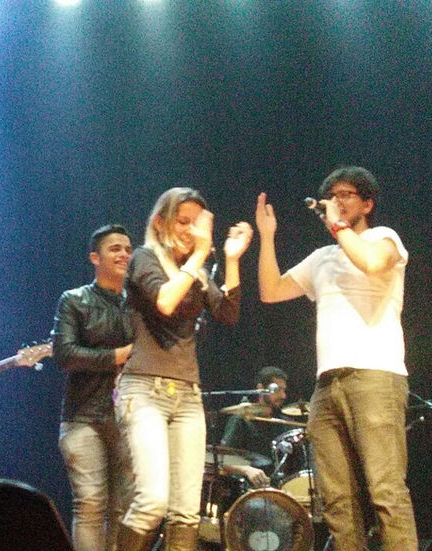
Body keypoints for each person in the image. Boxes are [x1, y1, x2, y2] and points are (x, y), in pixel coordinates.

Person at [256, 167, 418, 550]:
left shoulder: (383, 237)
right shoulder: (322, 257)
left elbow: (373, 263)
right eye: (332, 195)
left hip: (376, 376)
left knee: (385, 490)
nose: (337, 200)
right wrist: (267, 237)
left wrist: (339, 228)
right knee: (336, 500)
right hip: (326, 385)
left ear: (367, 203)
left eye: (346, 194)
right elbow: (271, 291)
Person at [115, 188, 252, 551]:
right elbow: (165, 301)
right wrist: (201, 256)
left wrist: (231, 258)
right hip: (143, 390)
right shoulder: (144, 259)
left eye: (197, 223)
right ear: (160, 223)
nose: (192, 231)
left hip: (188, 395)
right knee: (151, 502)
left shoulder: (197, 273)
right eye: (183, 221)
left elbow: (228, 313)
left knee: (187, 514)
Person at [51, 224, 135, 551]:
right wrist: (118, 356)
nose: (124, 254)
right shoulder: (74, 300)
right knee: (89, 505)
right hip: (83, 417)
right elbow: (64, 354)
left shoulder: (139, 304)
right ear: (94, 258)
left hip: (129, 417)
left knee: (123, 510)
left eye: (128, 249)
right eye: (115, 249)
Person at [218, 366, 290, 488]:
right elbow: (223, 460)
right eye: (277, 390)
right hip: (249, 489)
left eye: (284, 390)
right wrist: (247, 470)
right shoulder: (242, 419)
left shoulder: (284, 424)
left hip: (281, 488)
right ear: (261, 389)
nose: (283, 396)